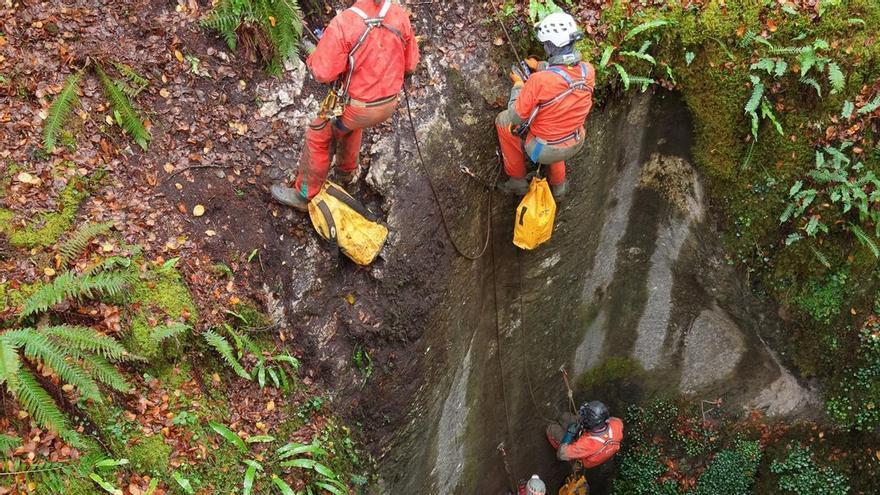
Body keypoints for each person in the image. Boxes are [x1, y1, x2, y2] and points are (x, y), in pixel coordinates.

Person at [272, 0, 420, 211]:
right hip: (388, 104)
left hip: (358, 108)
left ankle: (304, 195)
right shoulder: (398, 15)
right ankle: (346, 173)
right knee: (348, 126)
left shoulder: (345, 23)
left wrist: (312, 57)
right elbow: (411, 64)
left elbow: (322, 73)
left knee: (319, 133)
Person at [495, 11, 595, 200]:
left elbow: (517, 116)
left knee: (503, 121)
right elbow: (565, 73)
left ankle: (517, 182)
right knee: (559, 127)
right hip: (577, 139)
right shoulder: (587, 70)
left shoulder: (538, 81)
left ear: (550, 46)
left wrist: (518, 86)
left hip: (544, 151)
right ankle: (559, 188)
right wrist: (540, 65)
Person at [546, 401, 623, 469]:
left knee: (551, 429)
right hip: (596, 445)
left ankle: (567, 454)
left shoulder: (587, 444)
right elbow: (615, 420)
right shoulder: (617, 424)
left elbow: (561, 455)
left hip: (584, 458)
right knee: (565, 416)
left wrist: (569, 435)